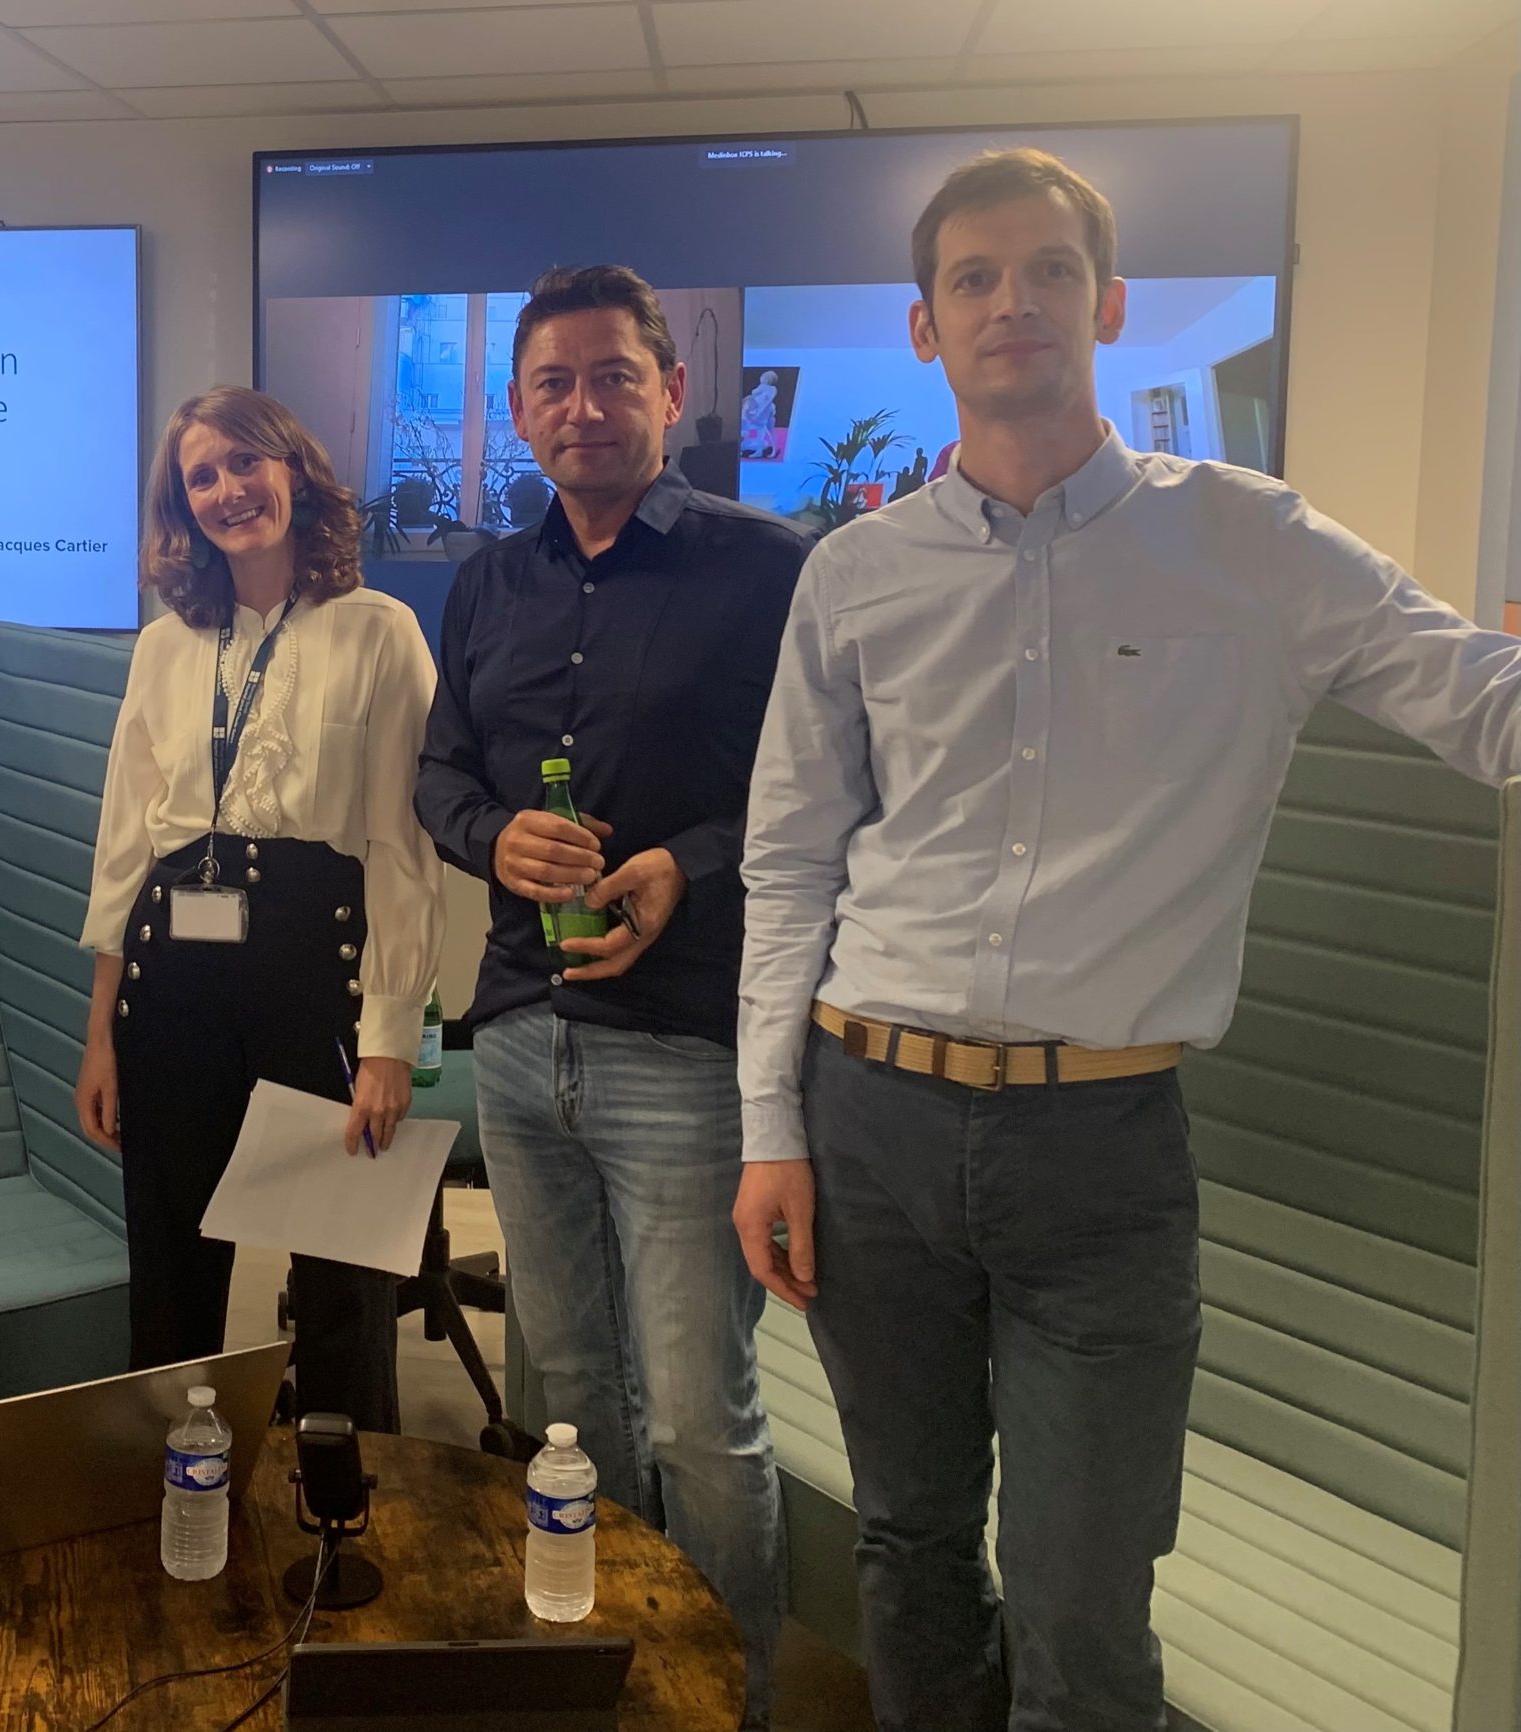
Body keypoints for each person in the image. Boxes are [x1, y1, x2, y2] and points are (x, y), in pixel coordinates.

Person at [733, 148, 1521, 1732]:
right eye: (972, 278)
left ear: (1107, 302)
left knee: (1085, 1602)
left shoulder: (1250, 542)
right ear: (923, 325)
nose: (1010, 302)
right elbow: (792, 862)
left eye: (1047, 269)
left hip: (1099, 1152)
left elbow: (1483, 705)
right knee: (909, 1548)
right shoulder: (856, 575)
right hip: (869, 1120)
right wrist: (770, 1130)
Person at [415, 266, 810, 1728]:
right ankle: (611, 1678)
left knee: (702, 1416)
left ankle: (726, 1700)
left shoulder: (768, 569)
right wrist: (489, 838)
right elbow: (439, 772)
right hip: (522, 1042)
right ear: (520, 411)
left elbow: (818, 793)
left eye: (612, 377)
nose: (582, 407)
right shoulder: (487, 582)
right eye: (553, 385)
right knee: (569, 1395)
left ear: (671, 391)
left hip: (687, 1049)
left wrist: (682, 868)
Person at [74, 386, 441, 1433]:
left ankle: (346, 1501)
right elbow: (124, 850)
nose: (228, 490)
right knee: (171, 1267)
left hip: (314, 976)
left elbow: (402, 853)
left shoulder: (379, 632)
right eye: (202, 477)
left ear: (294, 471)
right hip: (172, 986)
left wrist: (387, 1042)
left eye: (246, 462)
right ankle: (177, 1485)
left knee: (341, 1277)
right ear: (182, 507)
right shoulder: (163, 645)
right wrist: (101, 1037)